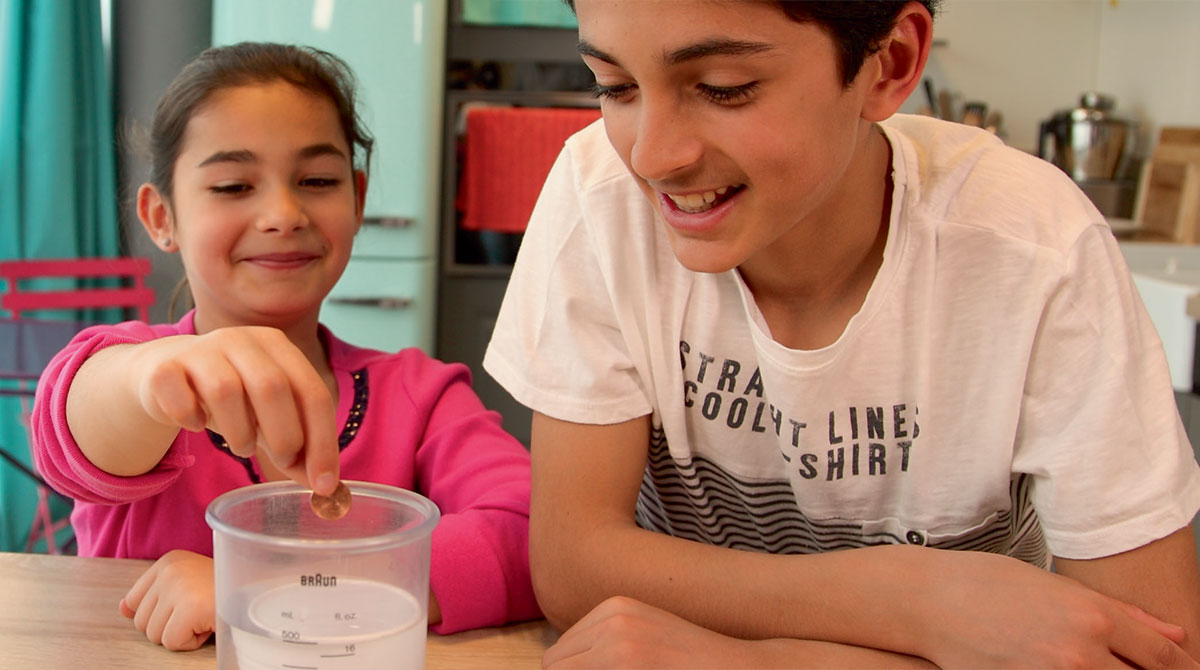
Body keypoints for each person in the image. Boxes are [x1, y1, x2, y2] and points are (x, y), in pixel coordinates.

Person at [483, 0, 1200, 667]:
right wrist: (919, 600)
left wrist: (738, 655)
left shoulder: (1034, 249)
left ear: (886, 64)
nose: (651, 156)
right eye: (615, 86)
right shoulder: (597, 195)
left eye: (725, 87)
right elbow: (576, 564)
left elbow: (1147, 646)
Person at [31, 42, 539, 651]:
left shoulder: (422, 394)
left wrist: (270, 589)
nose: (282, 212)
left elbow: (534, 538)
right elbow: (70, 423)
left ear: (357, 199)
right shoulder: (142, 377)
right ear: (161, 216)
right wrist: (152, 376)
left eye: (318, 180)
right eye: (232, 185)